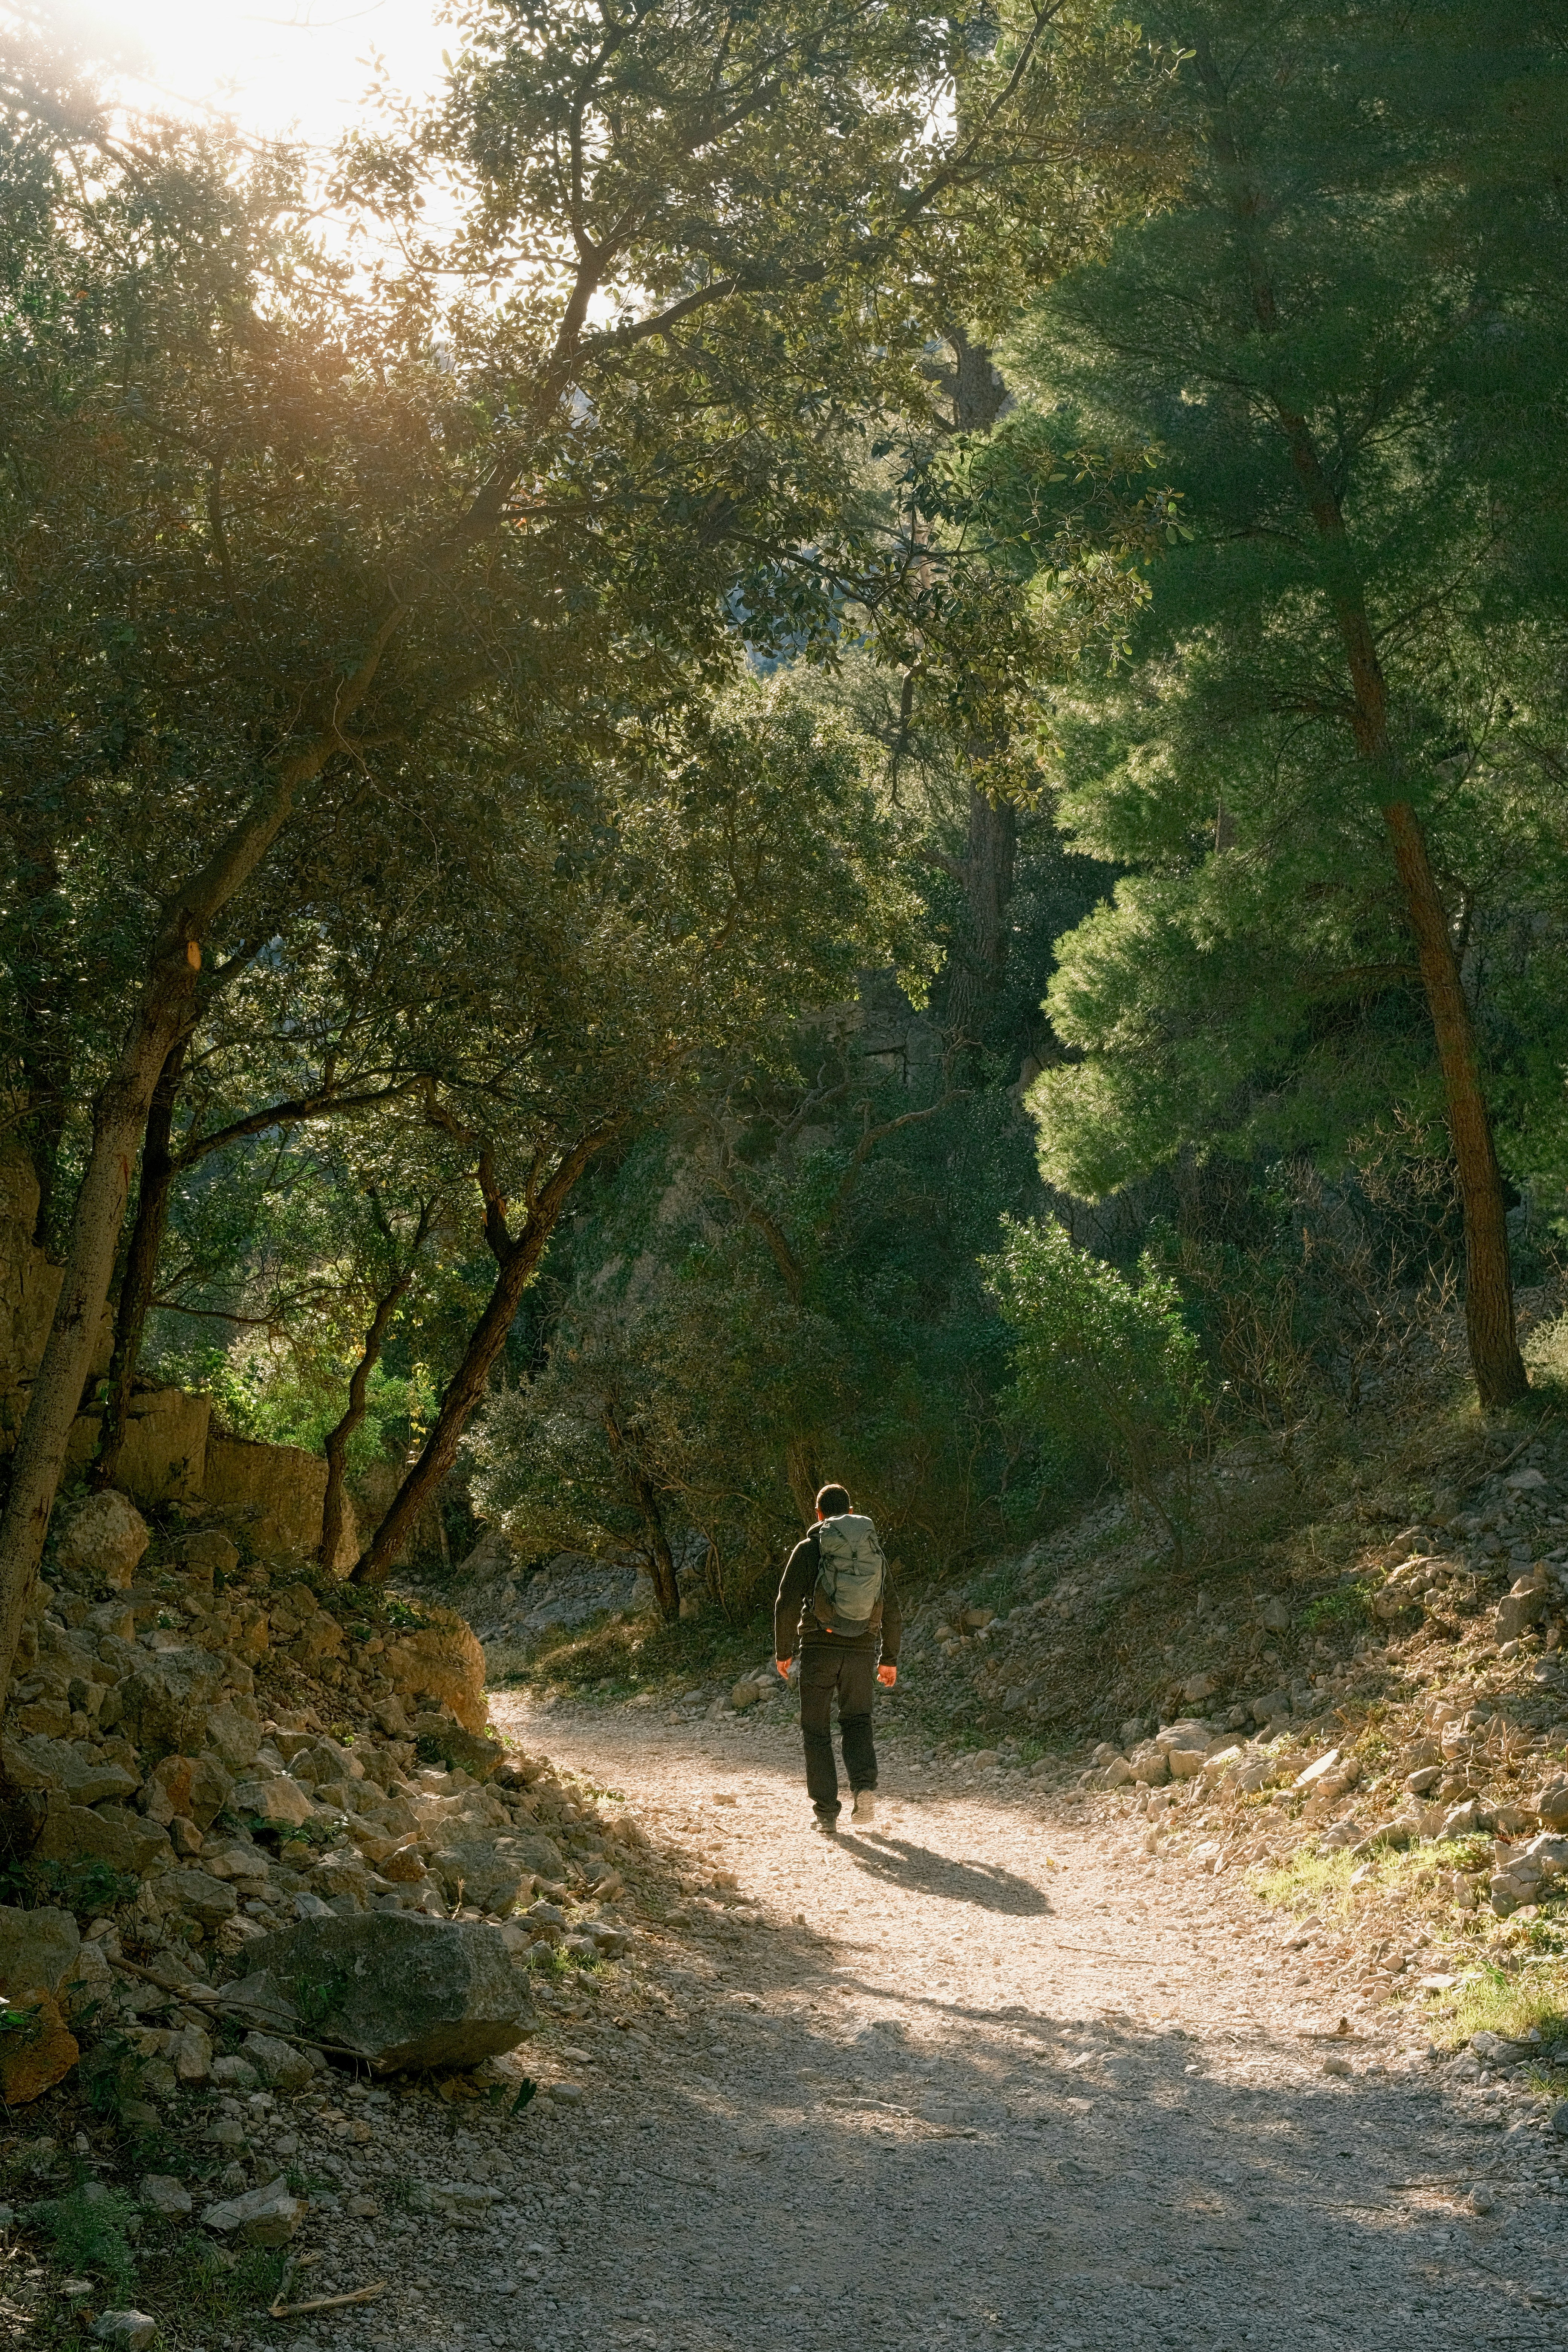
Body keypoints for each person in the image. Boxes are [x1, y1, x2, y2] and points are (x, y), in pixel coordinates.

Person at [774, 1481, 900, 1834]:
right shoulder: (873, 1550)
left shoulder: (810, 1548)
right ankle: (864, 1787)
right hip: (863, 1648)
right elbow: (892, 1607)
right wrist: (888, 1659)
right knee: (858, 1720)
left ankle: (827, 1813)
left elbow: (786, 1602)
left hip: (819, 1647)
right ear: (850, 1511)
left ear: (819, 1514)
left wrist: (784, 1652)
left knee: (816, 1729)